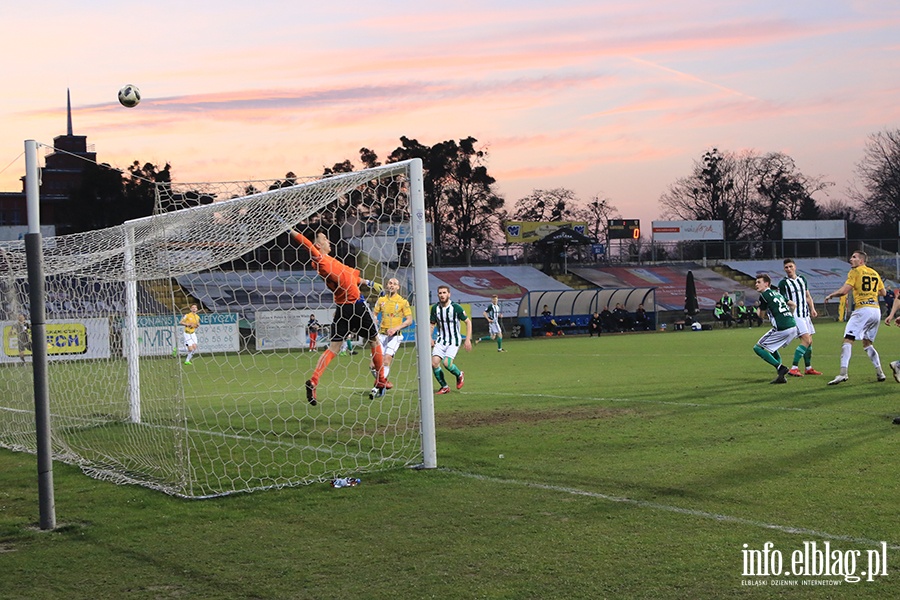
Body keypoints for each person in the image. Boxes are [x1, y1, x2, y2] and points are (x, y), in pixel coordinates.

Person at [292, 230, 385, 405]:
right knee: (374, 340)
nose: (328, 240)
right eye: (324, 239)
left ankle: (314, 380)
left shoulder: (334, 262)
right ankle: (381, 379)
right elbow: (307, 243)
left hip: (342, 309)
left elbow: (353, 277)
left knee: (334, 347)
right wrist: (292, 231)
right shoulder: (320, 260)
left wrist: (371, 283)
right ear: (318, 245)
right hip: (356, 305)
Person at [824, 250, 887, 385]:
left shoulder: (855, 271)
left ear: (861, 261)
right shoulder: (874, 273)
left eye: (854, 257)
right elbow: (883, 292)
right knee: (867, 343)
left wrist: (831, 295)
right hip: (876, 311)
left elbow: (844, 291)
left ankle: (843, 373)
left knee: (848, 339)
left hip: (862, 310)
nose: (850, 260)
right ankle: (880, 372)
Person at [778, 258, 822, 377]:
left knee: (810, 342)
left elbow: (807, 296)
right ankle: (794, 368)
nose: (789, 269)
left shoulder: (802, 279)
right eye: (786, 267)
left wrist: (812, 308)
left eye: (790, 266)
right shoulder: (783, 283)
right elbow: (782, 299)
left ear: (795, 267)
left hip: (805, 314)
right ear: (784, 269)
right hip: (795, 315)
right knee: (806, 340)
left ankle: (808, 368)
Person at [752, 274, 799, 384]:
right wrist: (789, 316)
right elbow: (793, 305)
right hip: (792, 326)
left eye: (759, 282)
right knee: (772, 347)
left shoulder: (764, 295)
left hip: (782, 327)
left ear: (766, 284)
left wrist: (758, 311)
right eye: (756, 282)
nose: (756, 284)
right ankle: (781, 377)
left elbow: (761, 315)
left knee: (758, 348)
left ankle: (780, 367)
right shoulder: (777, 294)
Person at [430, 285, 472, 394]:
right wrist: (429, 337)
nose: (442, 295)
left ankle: (459, 374)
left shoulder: (456, 308)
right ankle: (444, 387)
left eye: (444, 293)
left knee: (447, 363)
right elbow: (432, 324)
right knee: (434, 363)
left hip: (454, 340)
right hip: (441, 340)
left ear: (449, 294)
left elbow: (468, 322)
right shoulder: (435, 308)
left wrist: (467, 339)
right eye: (440, 293)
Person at [372, 277, 413, 389]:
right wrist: (374, 318)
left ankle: (378, 386)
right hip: (381, 335)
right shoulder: (381, 300)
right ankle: (383, 381)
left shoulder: (403, 302)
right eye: (390, 283)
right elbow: (374, 313)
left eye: (395, 284)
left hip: (395, 337)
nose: (392, 285)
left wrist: (396, 328)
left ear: (398, 287)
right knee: (372, 365)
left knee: (386, 359)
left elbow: (409, 320)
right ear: (386, 285)